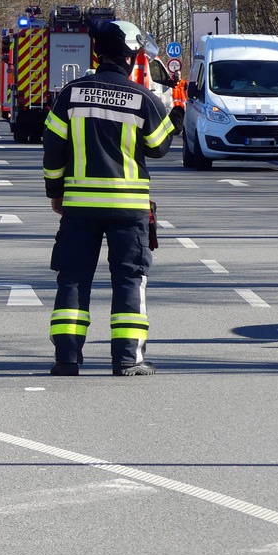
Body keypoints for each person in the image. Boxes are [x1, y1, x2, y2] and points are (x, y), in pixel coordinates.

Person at [42, 20, 175, 377]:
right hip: (128, 207)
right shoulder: (141, 98)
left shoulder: (70, 94)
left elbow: (53, 149)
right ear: (132, 57)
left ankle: (67, 358)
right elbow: (161, 147)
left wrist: (56, 192)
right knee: (130, 280)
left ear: (97, 52)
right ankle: (127, 359)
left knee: (72, 278)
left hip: (80, 206)